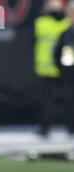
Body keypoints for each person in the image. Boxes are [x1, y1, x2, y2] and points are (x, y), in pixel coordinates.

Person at [34, 0, 71, 137]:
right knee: (54, 101)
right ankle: (51, 128)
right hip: (57, 68)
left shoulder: (42, 22)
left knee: (65, 100)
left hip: (56, 68)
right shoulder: (64, 23)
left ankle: (67, 127)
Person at [54, 0, 74, 136]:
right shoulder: (65, 32)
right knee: (69, 100)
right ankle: (70, 127)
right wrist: (61, 69)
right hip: (69, 73)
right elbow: (57, 52)